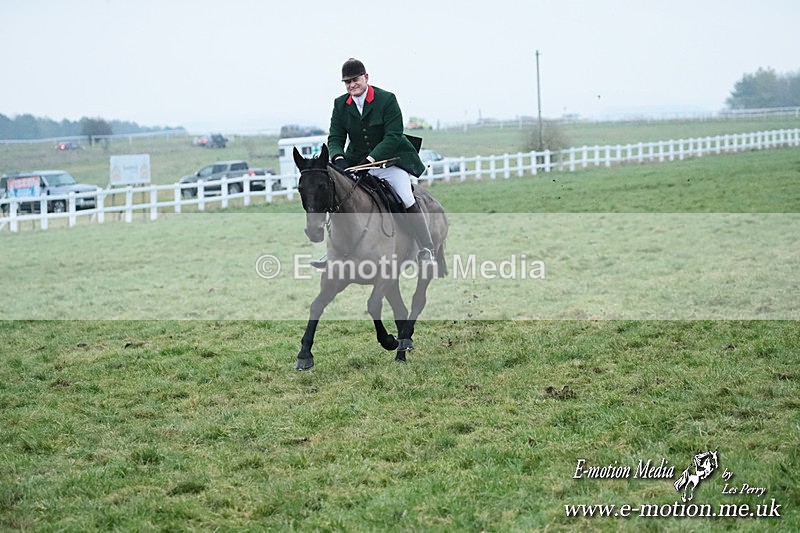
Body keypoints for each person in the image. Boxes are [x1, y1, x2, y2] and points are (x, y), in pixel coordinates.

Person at [326, 57, 436, 268]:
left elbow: (393, 135)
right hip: (357, 163)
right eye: (347, 82)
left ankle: (426, 248)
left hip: (389, 163)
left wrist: (371, 159)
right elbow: (335, 137)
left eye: (355, 79)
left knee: (405, 196)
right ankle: (335, 252)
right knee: (341, 199)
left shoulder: (387, 99)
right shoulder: (340, 104)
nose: (352, 85)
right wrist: (338, 158)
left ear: (366, 77)